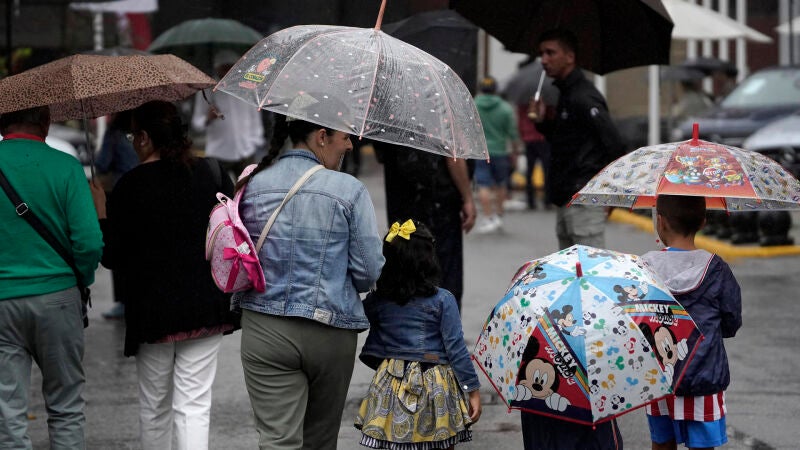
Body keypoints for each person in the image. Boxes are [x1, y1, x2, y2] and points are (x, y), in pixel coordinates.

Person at [90, 100, 239, 450]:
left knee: (155, 407)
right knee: (194, 405)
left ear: (144, 137)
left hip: (153, 313)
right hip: (206, 306)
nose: (131, 143)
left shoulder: (130, 185)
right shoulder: (212, 173)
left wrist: (102, 215)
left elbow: (112, 257)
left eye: (132, 136)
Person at [233, 111, 385, 449]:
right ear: (321, 136)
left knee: (277, 440)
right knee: (319, 440)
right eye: (345, 137)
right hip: (329, 331)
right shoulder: (349, 189)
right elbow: (369, 272)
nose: (350, 145)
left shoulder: (252, 184)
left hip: (264, 329)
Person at [0, 105, 104, 449]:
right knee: (66, 406)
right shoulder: (66, 167)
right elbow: (89, 243)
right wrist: (81, 279)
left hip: (2, 302)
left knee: (7, 413)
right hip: (59, 298)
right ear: (46, 122)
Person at [355, 219, 482, 449]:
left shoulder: (378, 301)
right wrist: (471, 389)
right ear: (429, 260)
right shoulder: (443, 300)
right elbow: (456, 350)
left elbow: (355, 319)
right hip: (436, 386)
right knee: (439, 442)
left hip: (390, 385)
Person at [641, 195, 742, 450]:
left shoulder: (644, 267)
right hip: (704, 376)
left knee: (662, 443)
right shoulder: (716, 268)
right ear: (703, 222)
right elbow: (731, 320)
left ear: (660, 222)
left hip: (660, 376)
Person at [531, 28, 625, 250]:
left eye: (550, 53)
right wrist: (542, 121)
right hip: (566, 196)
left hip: (584, 197)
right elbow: (567, 141)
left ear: (570, 57)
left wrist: (613, 191)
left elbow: (614, 144)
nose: (544, 60)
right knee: (570, 268)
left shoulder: (584, 96)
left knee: (588, 266)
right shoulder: (566, 94)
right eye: (541, 53)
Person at [374, 142, 476, 310]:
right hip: (438, 202)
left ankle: (404, 318)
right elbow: (453, 157)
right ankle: (441, 320)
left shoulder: (392, 125)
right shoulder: (442, 124)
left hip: (402, 202)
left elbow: (380, 154)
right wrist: (468, 198)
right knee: (443, 271)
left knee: (402, 266)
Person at [192, 50, 265, 179]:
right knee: (217, 188)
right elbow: (197, 123)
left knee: (247, 188)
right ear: (217, 68)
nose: (227, 71)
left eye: (230, 67)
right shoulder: (207, 90)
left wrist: (255, 141)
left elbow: (255, 118)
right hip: (218, 152)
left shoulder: (248, 87)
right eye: (223, 68)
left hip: (245, 150)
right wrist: (207, 119)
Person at [94, 110, 139, 320]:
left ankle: (123, 301)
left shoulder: (114, 134)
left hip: (121, 195)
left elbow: (103, 163)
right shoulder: (141, 132)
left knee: (120, 247)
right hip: (144, 192)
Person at [474, 76, 522, 233]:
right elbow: (512, 133)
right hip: (501, 151)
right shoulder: (505, 108)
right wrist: (515, 152)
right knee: (501, 183)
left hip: (481, 151)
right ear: (496, 90)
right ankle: (498, 215)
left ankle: (488, 216)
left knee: (483, 184)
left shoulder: (474, 105)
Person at [517, 102, 552, 210]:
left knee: (530, 172)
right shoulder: (545, 103)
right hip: (542, 139)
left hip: (529, 139)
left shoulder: (523, 104)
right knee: (547, 170)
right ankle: (547, 200)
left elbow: (521, 122)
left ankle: (530, 201)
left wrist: (523, 135)